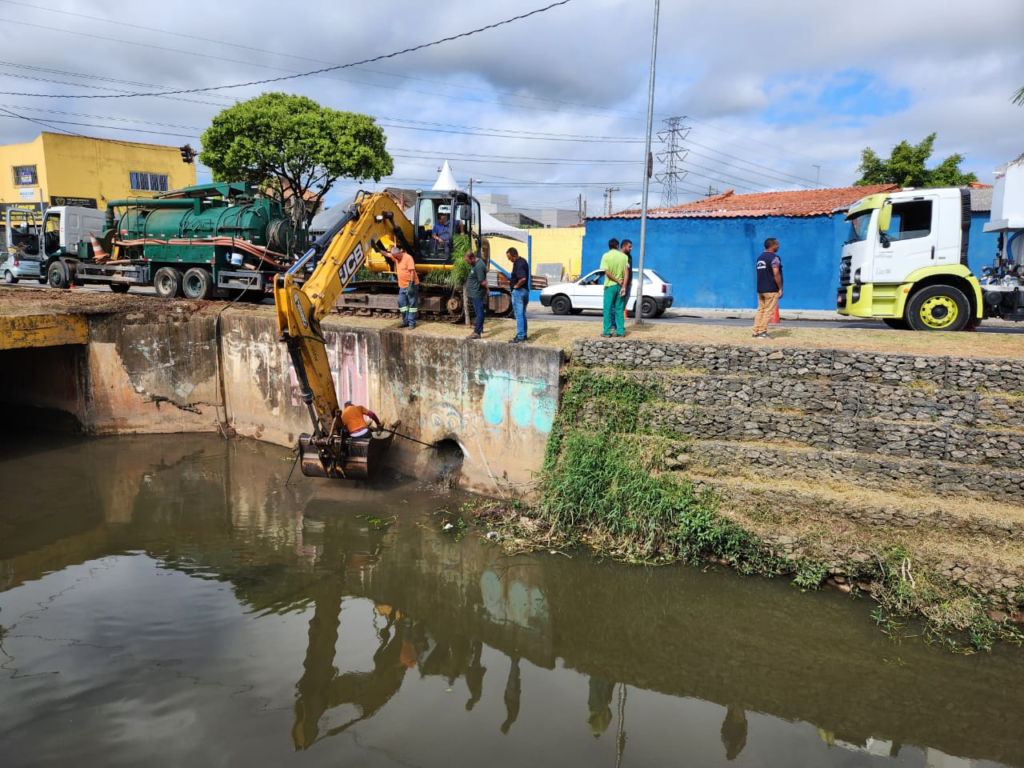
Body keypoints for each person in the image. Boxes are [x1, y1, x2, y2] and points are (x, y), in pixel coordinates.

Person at [752, 237, 783, 338]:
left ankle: (756, 331)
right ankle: (762, 332)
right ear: (772, 245)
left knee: (760, 310)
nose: (778, 246)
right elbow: (776, 273)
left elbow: (758, 273)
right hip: (771, 289)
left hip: (761, 288)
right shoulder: (774, 258)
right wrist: (780, 288)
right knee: (768, 311)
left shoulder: (760, 258)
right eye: (777, 244)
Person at [599, 238, 628, 338]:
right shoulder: (624, 257)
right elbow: (626, 273)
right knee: (619, 309)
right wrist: (623, 285)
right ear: (617, 246)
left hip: (610, 286)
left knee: (607, 309)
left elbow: (607, 272)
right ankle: (620, 331)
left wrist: (616, 280)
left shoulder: (605, 256)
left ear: (609, 246)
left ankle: (607, 331)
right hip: (620, 287)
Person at [390, 245, 420, 329]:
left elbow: (412, 272)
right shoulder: (396, 257)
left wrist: (411, 285)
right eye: (394, 257)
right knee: (401, 302)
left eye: (396, 256)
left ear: (399, 252)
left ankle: (411, 323)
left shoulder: (408, 258)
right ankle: (405, 321)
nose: (395, 258)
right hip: (402, 286)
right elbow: (387, 254)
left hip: (411, 285)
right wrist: (378, 250)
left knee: (412, 304)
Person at [464, 249, 489, 340]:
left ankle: (477, 332)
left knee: (479, 312)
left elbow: (482, 282)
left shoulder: (479, 266)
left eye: (467, 261)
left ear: (472, 258)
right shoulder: (475, 264)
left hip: (477, 293)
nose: (467, 263)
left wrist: (487, 288)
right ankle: (480, 328)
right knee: (479, 312)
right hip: (475, 293)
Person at [507, 247, 530, 343]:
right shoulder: (523, 261)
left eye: (510, 258)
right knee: (522, 314)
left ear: (514, 255)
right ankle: (523, 335)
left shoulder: (519, 263)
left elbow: (523, 278)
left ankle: (520, 336)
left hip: (519, 292)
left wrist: (516, 286)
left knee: (519, 314)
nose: (509, 260)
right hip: (525, 291)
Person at [616, 238, 634, 328]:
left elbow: (630, 270)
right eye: (629, 247)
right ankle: (615, 325)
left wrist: (630, 281)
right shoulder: (619, 256)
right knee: (618, 305)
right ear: (623, 246)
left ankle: (619, 323)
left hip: (628, 285)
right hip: (620, 284)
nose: (631, 248)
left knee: (623, 305)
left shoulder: (629, 257)